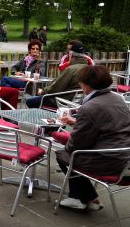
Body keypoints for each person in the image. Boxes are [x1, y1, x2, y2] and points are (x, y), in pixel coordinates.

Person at [56, 65, 130, 211]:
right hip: (125, 157)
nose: (80, 84)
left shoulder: (89, 107)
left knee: (63, 154)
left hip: (109, 162)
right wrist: (77, 122)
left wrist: (61, 137)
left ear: (87, 85)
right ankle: (89, 198)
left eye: (81, 82)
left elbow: (76, 144)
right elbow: (108, 125)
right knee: (71, 152)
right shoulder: (118, 99)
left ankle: (82, 198)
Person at [26, 42, 90, 109]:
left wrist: (42, 91)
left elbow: (56, 87)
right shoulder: (88, 68)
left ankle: (37, 117)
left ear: (71, 54)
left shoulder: (71, 69)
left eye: (68, 52)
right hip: (76, 102)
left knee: (30, 101)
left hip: (61, 101)